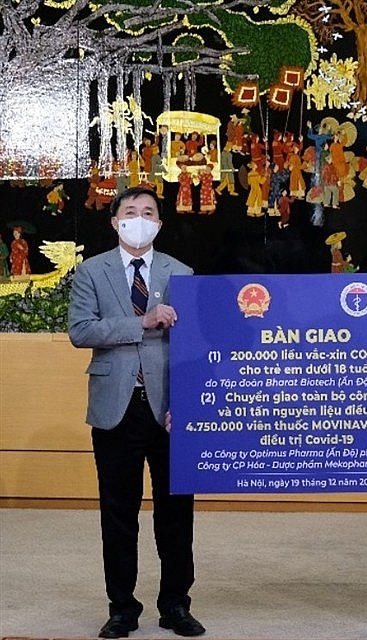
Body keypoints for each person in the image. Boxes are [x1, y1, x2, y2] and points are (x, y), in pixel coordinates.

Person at [68, 186, 205, 639]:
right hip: (115, 410)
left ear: (160, 224)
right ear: (115, 221)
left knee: (175, 513)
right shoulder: (91, 271)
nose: (140, 218)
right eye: (131, 212)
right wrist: (141, 322)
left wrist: (185, 405)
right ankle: (122, 608)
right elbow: (81, 330)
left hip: (169, 413)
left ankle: (175, 604)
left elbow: (195, 347)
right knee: (119, 513)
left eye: (149, 212)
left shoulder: (181, 272)